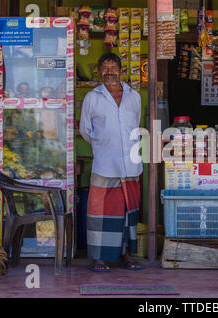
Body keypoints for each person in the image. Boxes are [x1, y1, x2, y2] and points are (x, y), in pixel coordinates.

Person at [79, 53, 143, 272]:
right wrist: (105, 144)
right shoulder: (92, 98)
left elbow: (135, 126)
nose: (109, 72)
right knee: (101, 212)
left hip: (130, 165)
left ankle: (127, 256)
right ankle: (99, 258)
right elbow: (85, 131)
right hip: (105, 164)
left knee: (128, 212)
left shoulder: (134, 96)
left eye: (113, 67)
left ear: (120, 70)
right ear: (99, 72)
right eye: (104, 68)